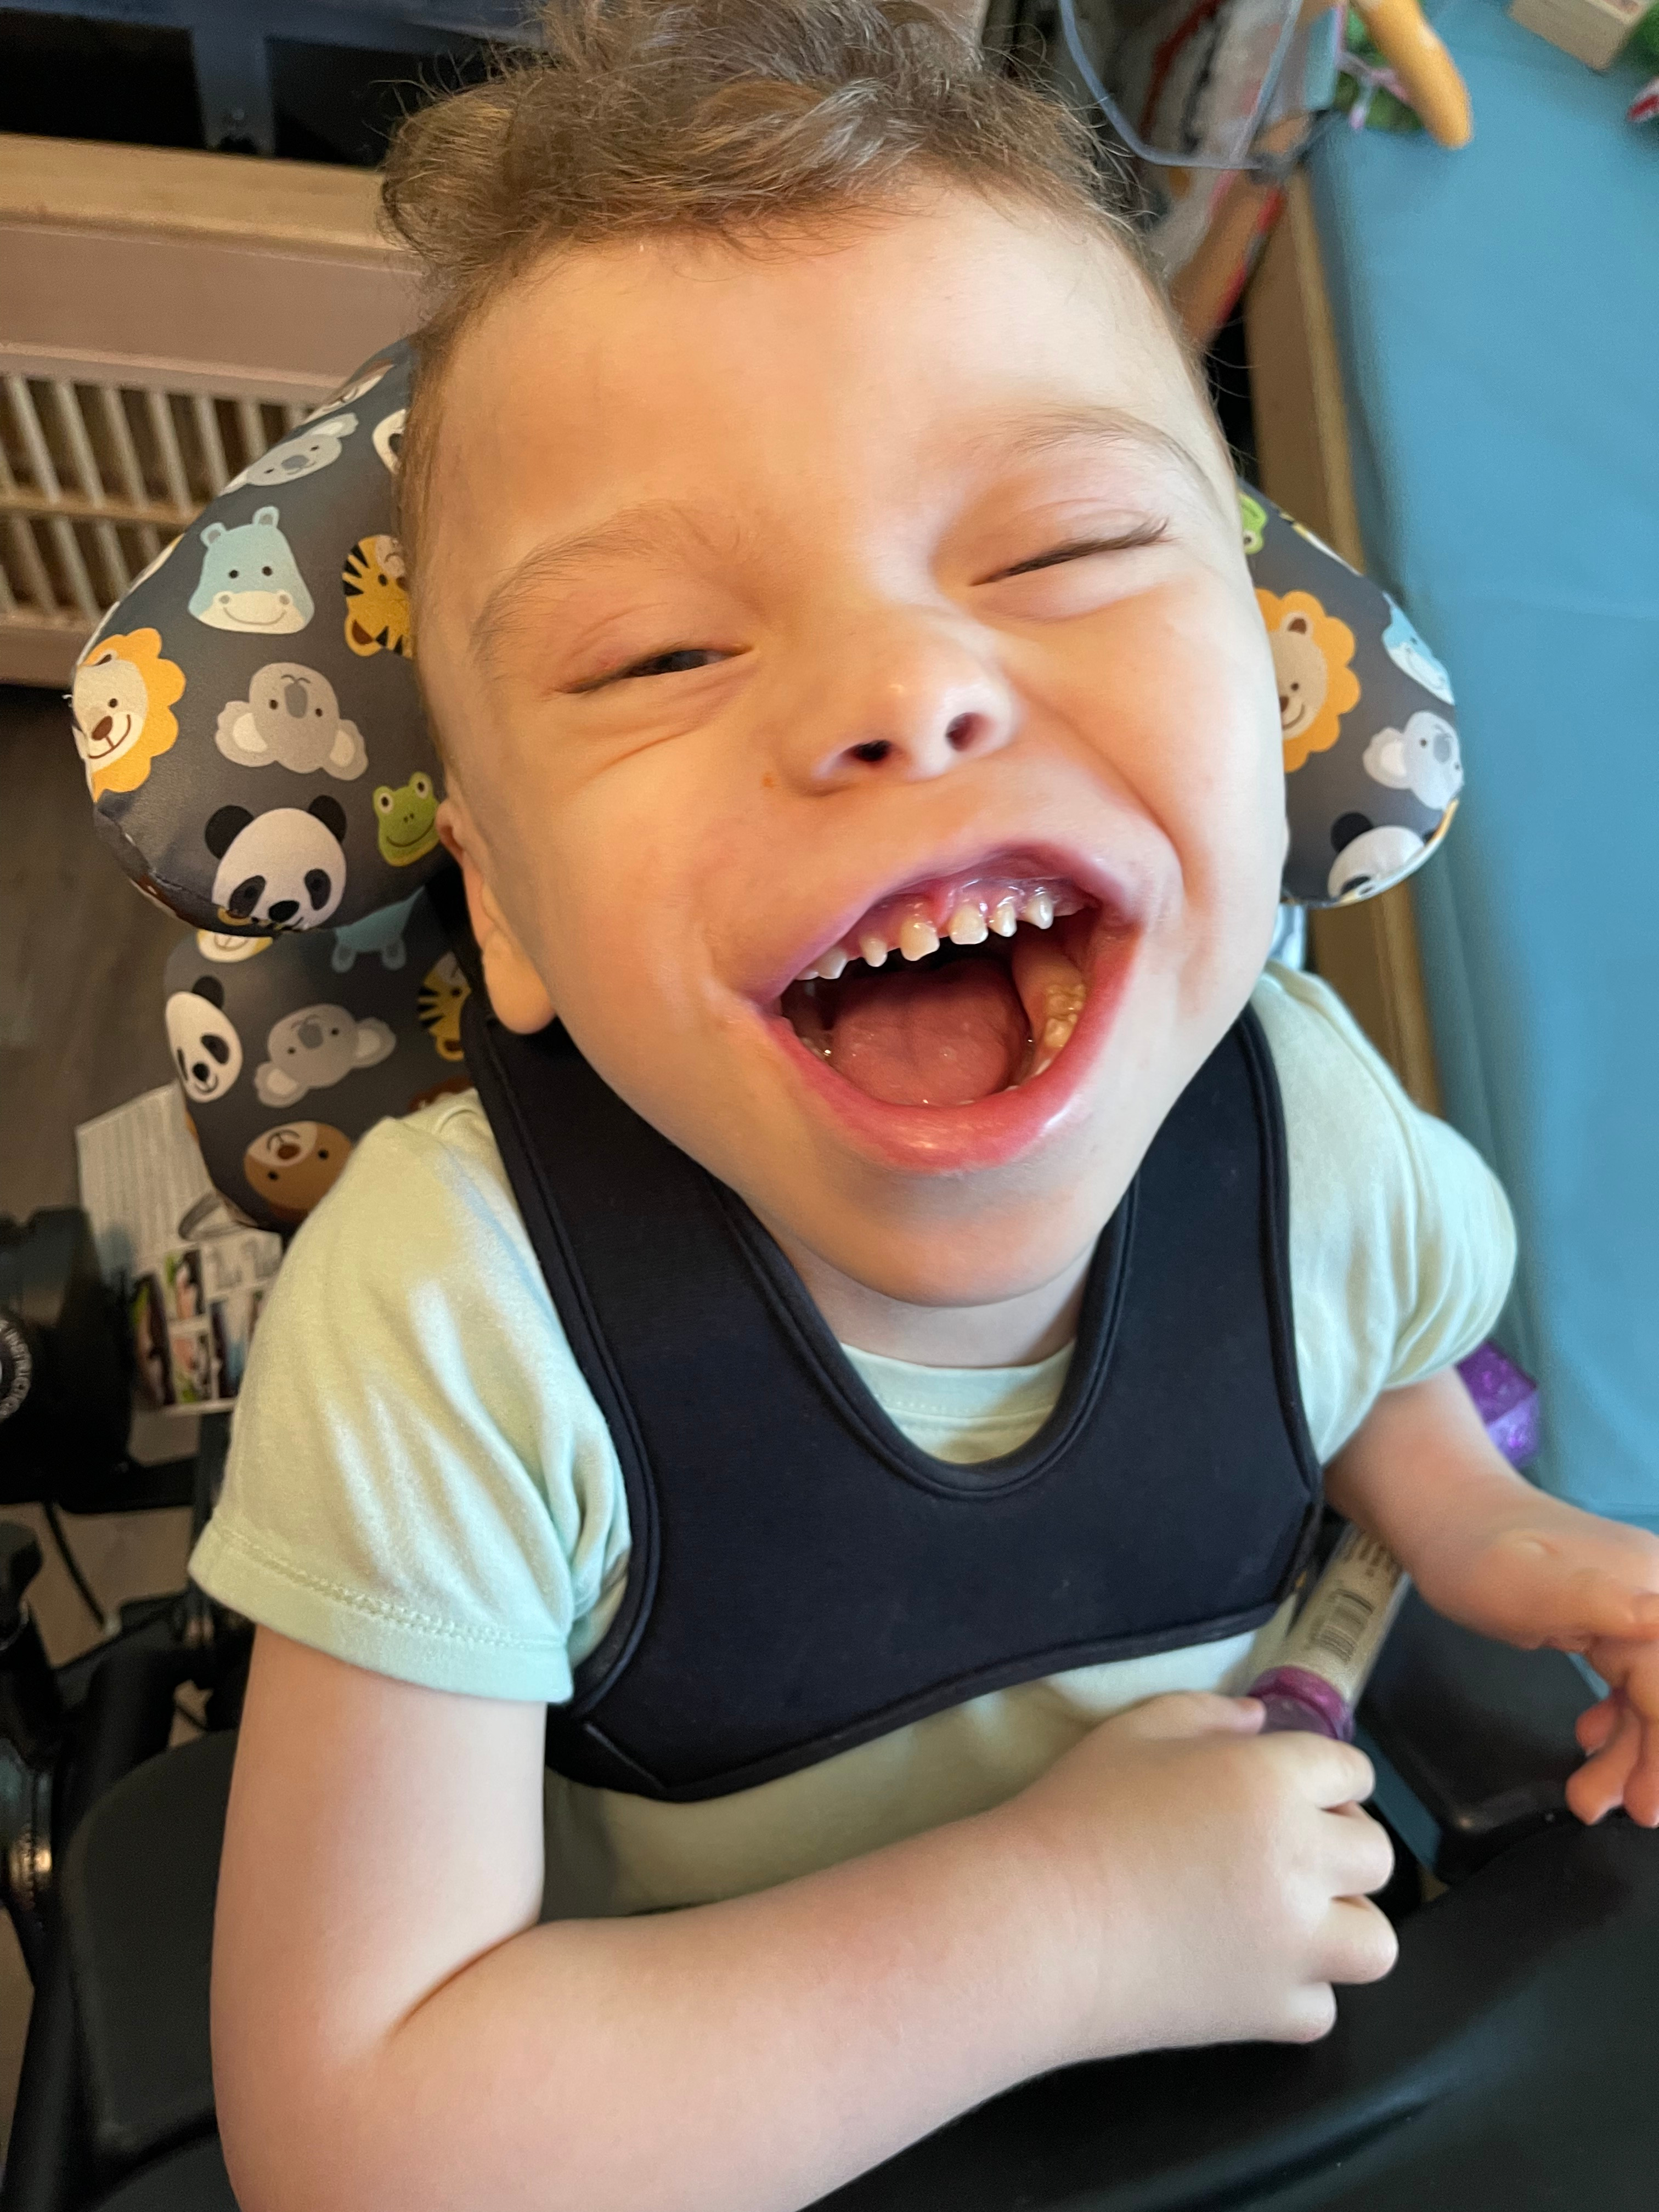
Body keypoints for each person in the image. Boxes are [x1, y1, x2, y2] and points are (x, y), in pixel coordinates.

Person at [191, 7, 1659, 2209]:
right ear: (499, 908)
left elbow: (1363, 1370)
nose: (903, 690)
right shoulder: (457, 1330)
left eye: (1064, 548)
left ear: (1270, 714)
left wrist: (1487, 1535)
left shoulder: (1291, 1104)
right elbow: (359, 2140)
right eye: (660, 653)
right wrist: (1061, 1931)